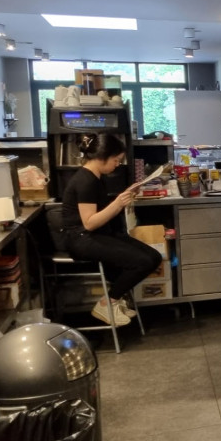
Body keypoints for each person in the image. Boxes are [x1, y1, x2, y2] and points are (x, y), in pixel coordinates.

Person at [60, 133, 162, 326]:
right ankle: (108, 303)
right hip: (81, 239)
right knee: (143, 261)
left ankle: (115, 299)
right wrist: (118, 203)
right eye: (116, 160)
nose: (117, 165)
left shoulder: (95, 178)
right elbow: (89, 223)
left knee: (153, 257)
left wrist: (125, 195)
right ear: (102, 157)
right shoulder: (86, 181)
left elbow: (101, 212)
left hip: (96, 234)